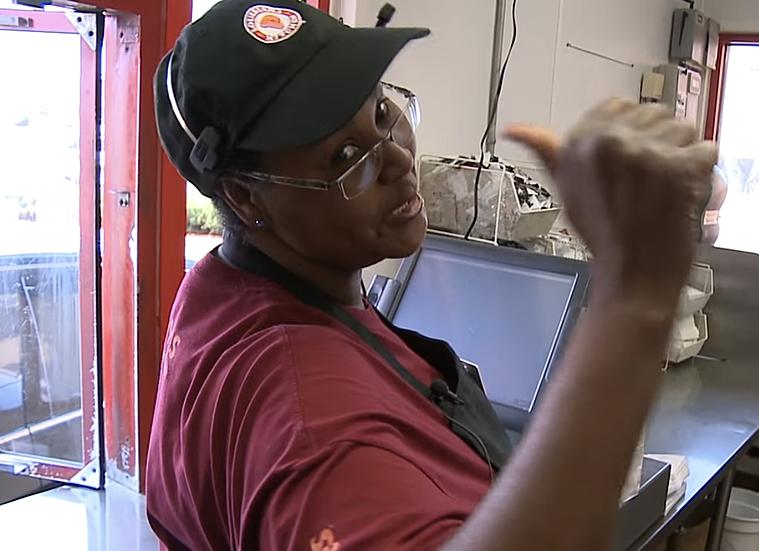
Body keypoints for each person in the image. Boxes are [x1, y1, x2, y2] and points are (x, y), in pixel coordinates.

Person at [146, 1, 717, 549]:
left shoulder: (227, 287)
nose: (396, 159)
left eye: (380, 112)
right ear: (246, 198)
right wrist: (636, 297)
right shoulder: (313, 423)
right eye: (345, 158)